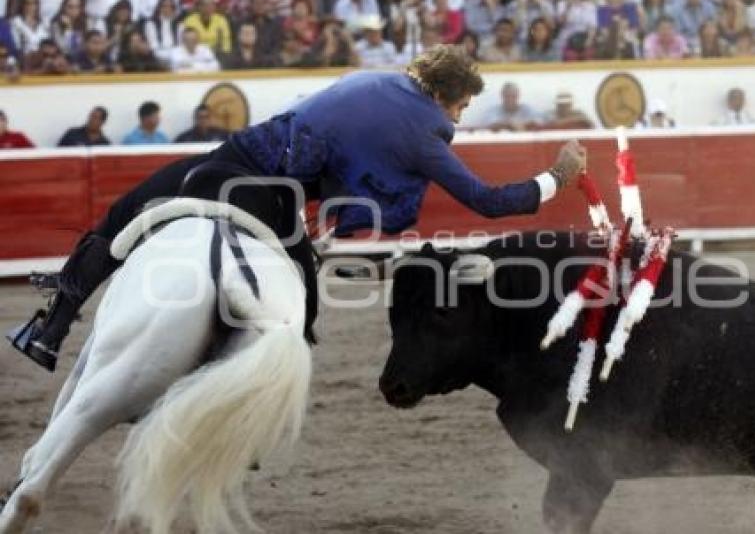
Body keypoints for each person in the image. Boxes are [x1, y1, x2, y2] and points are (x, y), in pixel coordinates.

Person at [8, 45, 587, 374]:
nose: (460, 117)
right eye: (461, 105)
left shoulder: (371, 79)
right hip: (271, 198)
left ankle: (51, 329)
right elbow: (488, 203)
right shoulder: (425, 135)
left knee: (122, 218)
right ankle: (263, 389)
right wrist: (558, 176)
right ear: (442, 95)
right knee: (301, 302)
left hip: (223, 162)